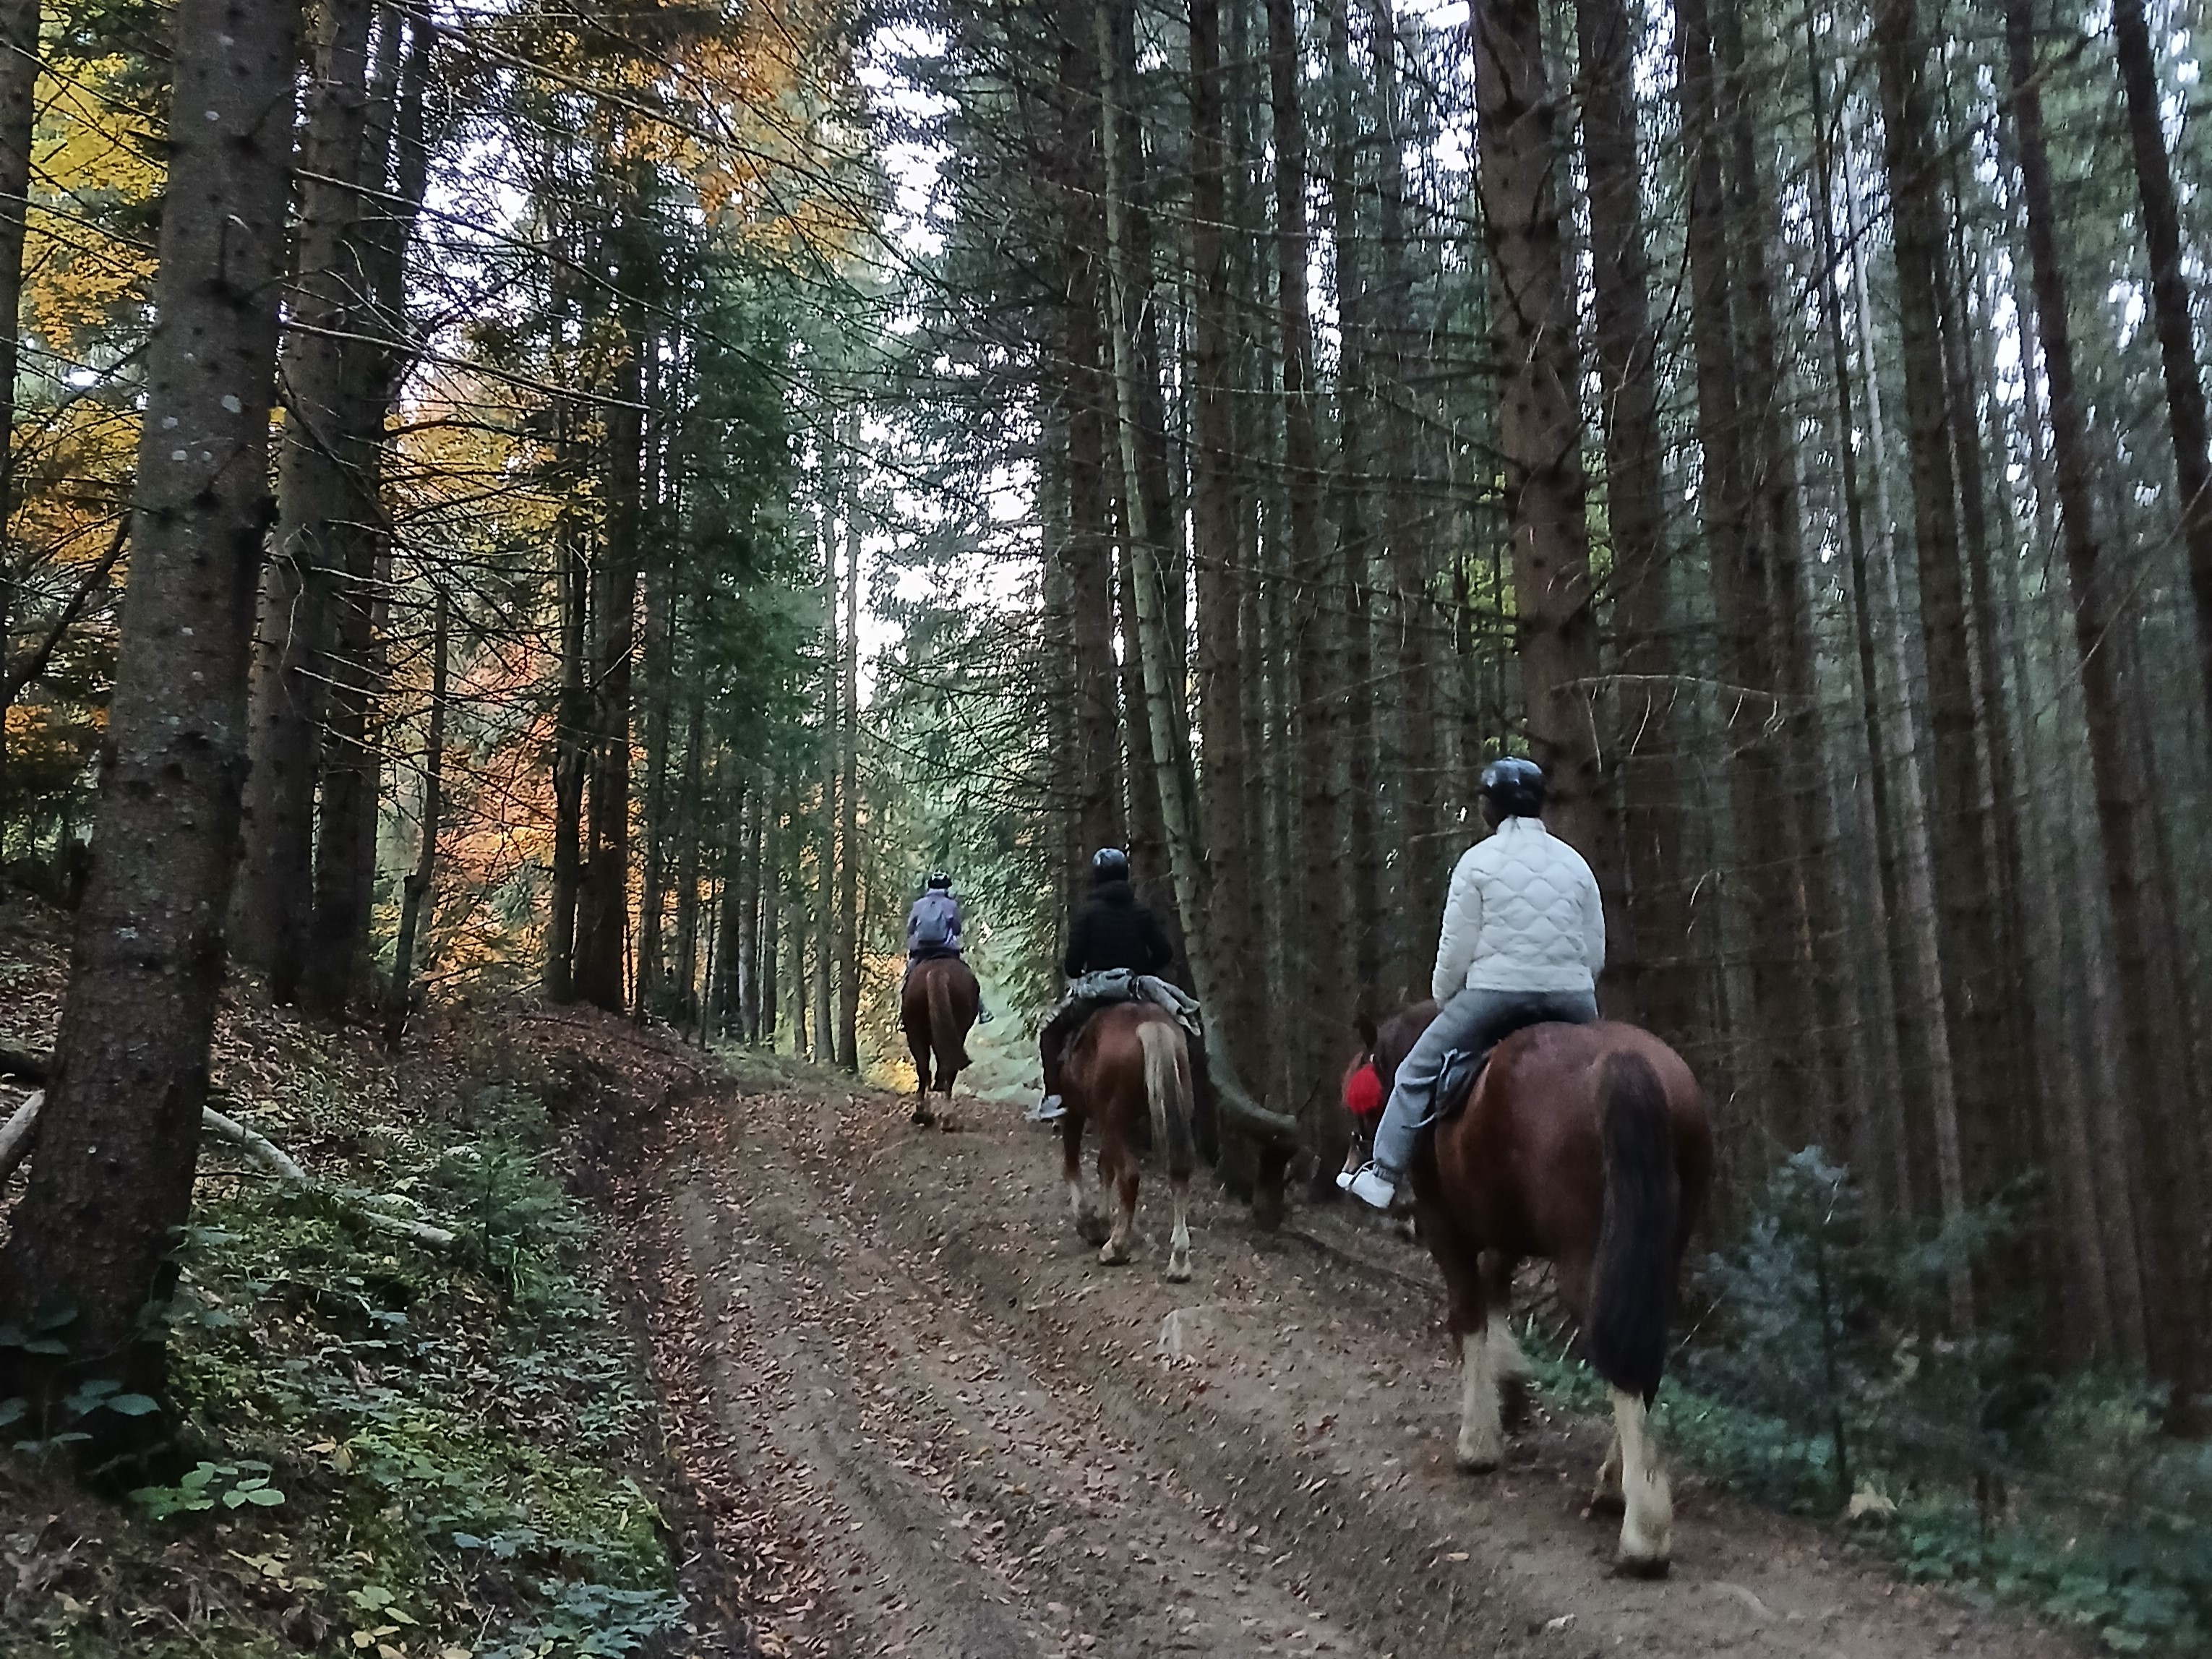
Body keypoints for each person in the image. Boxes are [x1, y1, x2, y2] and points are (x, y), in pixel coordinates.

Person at [1344, 757, 1604, 1209]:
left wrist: (1446, 998)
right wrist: (1571, 985)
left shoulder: (1476, 862)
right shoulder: (1576, 863)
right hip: (1573, 996)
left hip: (1495, 995)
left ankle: (1382, 1176)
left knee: (1414, 1073)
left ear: (1493, 808)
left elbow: (1456, 950)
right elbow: (1595, 950)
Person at [1029, 846, 1174, 1123]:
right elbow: (1165, 953)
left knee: (1050, 1032)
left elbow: (1072, 965)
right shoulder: (1141, 911)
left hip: (1100, 994)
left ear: (1097, 878)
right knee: (1183, 1022)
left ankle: (1054, 1097)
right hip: (1138, 987)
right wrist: (1143, 970)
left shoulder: (1087, 914)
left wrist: (1088, 971)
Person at [905, 872, 992, 1020]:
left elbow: (910, 929)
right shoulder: (951, 904)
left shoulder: (918, 905)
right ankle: (982, 1010)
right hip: (946, 949)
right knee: (968, 976)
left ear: (929, 886)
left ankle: (902, 1016)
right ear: (946, 888)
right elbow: (957, 929)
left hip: (922, 951)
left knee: (907, 980)